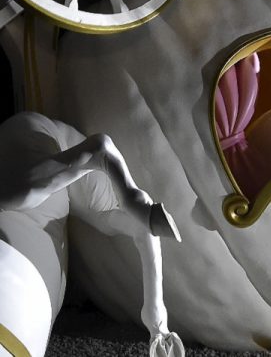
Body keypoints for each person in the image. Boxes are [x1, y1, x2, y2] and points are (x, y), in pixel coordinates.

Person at [0, 111, 183, 357]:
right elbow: (142, 229)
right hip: (27, 294)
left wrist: (157, 317)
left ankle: (104, 163)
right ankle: (112, 174)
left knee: (16, 196)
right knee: (116, 219)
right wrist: (157, 318)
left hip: (33, 147)